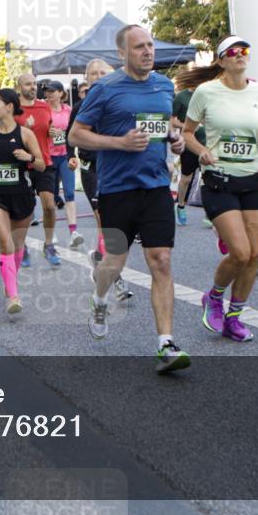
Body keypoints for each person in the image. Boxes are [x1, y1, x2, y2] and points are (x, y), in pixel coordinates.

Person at [69, 25, 190, 374]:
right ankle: (100, 297)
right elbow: (77, 134)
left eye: (150, 45)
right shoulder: (105, 89)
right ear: (122, 54)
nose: (148, 52)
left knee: (161, 260)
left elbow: (165, 126)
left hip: (155, 186)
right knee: (114, 265)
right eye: (139, 47)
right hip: (117, 188)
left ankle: (165, 343)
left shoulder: (164, 85)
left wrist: (175, 140)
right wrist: (120, 143)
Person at [183, 36, 258, 343]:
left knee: (254, 256)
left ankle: (234, 317)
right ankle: (214, 297)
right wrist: (201, 149)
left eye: (245, 50)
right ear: (221, 60)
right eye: (233, 51)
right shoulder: (206, 92)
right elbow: (187, 133)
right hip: (220, 180)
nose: (241, 55)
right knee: (240, 252)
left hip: (253, 179)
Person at [66, 60, 134, 302]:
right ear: (87, 78)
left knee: (114, 222)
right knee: (104, 219)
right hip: (92, 169)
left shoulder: (120, 102)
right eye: (93, 73)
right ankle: (115, 278)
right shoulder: (82, 106)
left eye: (102, 72)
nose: (97, 76)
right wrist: (69, 157)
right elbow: (69, 136)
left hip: (117, 169)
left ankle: (100, 258)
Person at [0, 88, 45, 313]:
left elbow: (42, 164)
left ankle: (10, 284)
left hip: (21, 195)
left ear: (9, 106)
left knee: (17, 245)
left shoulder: (26, 134)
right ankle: (13, 296)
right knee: (6, 242)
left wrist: (29, 157)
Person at [15, 73, 61, 268]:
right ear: (19, 88)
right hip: (20, 165)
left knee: (49, 206)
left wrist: (53, 133)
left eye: (34, 84)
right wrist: (24, 129)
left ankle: (49, 244)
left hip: (43, 162)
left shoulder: (44, 106)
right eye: (28, 84)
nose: (33, 87)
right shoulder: (13, 109)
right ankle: (22, 246)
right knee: (24, 212)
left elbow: (50, 130)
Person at [45, 80, 84, 249]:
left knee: (69, 194)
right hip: (48, 157)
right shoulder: (43, 110)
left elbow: (75, 130)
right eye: (47, 91)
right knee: (51, 197)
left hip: (65, 156)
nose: (49, 94)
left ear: (61, 93)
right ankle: (51, 233)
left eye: (53, 91)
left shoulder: (69, 110)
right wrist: (47, 131)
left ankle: (73, 232)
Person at [171, 63, 210, 227]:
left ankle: (210, 214)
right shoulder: (181, 97)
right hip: (189, 144)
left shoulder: (208, 95)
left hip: (207, 144)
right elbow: (172, 120)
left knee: (209, 179)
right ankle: (180, 206)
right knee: (187, 178)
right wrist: (189, 125)